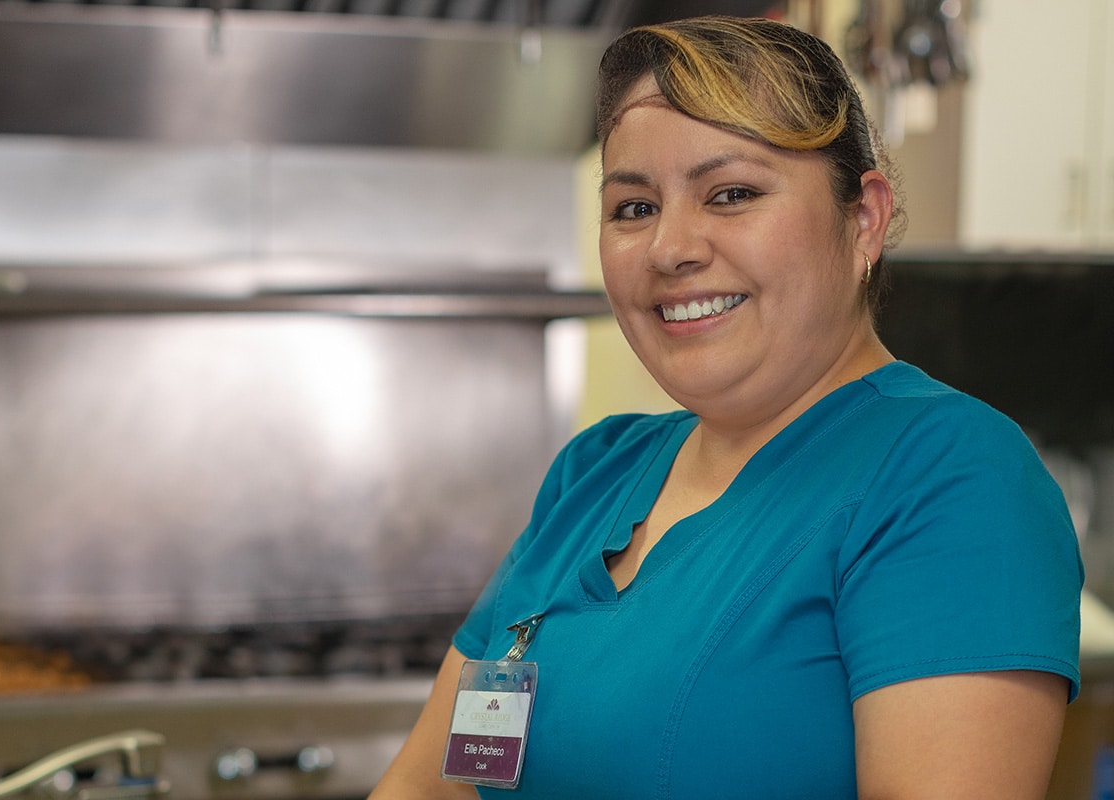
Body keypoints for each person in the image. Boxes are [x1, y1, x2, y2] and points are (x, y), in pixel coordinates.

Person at [369, 15, 1082, 799]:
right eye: (633, 207)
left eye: (732, 193)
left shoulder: (950, 479)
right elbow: (428, 787)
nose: (671, 247)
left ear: (864, 218)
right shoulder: (594, 475)